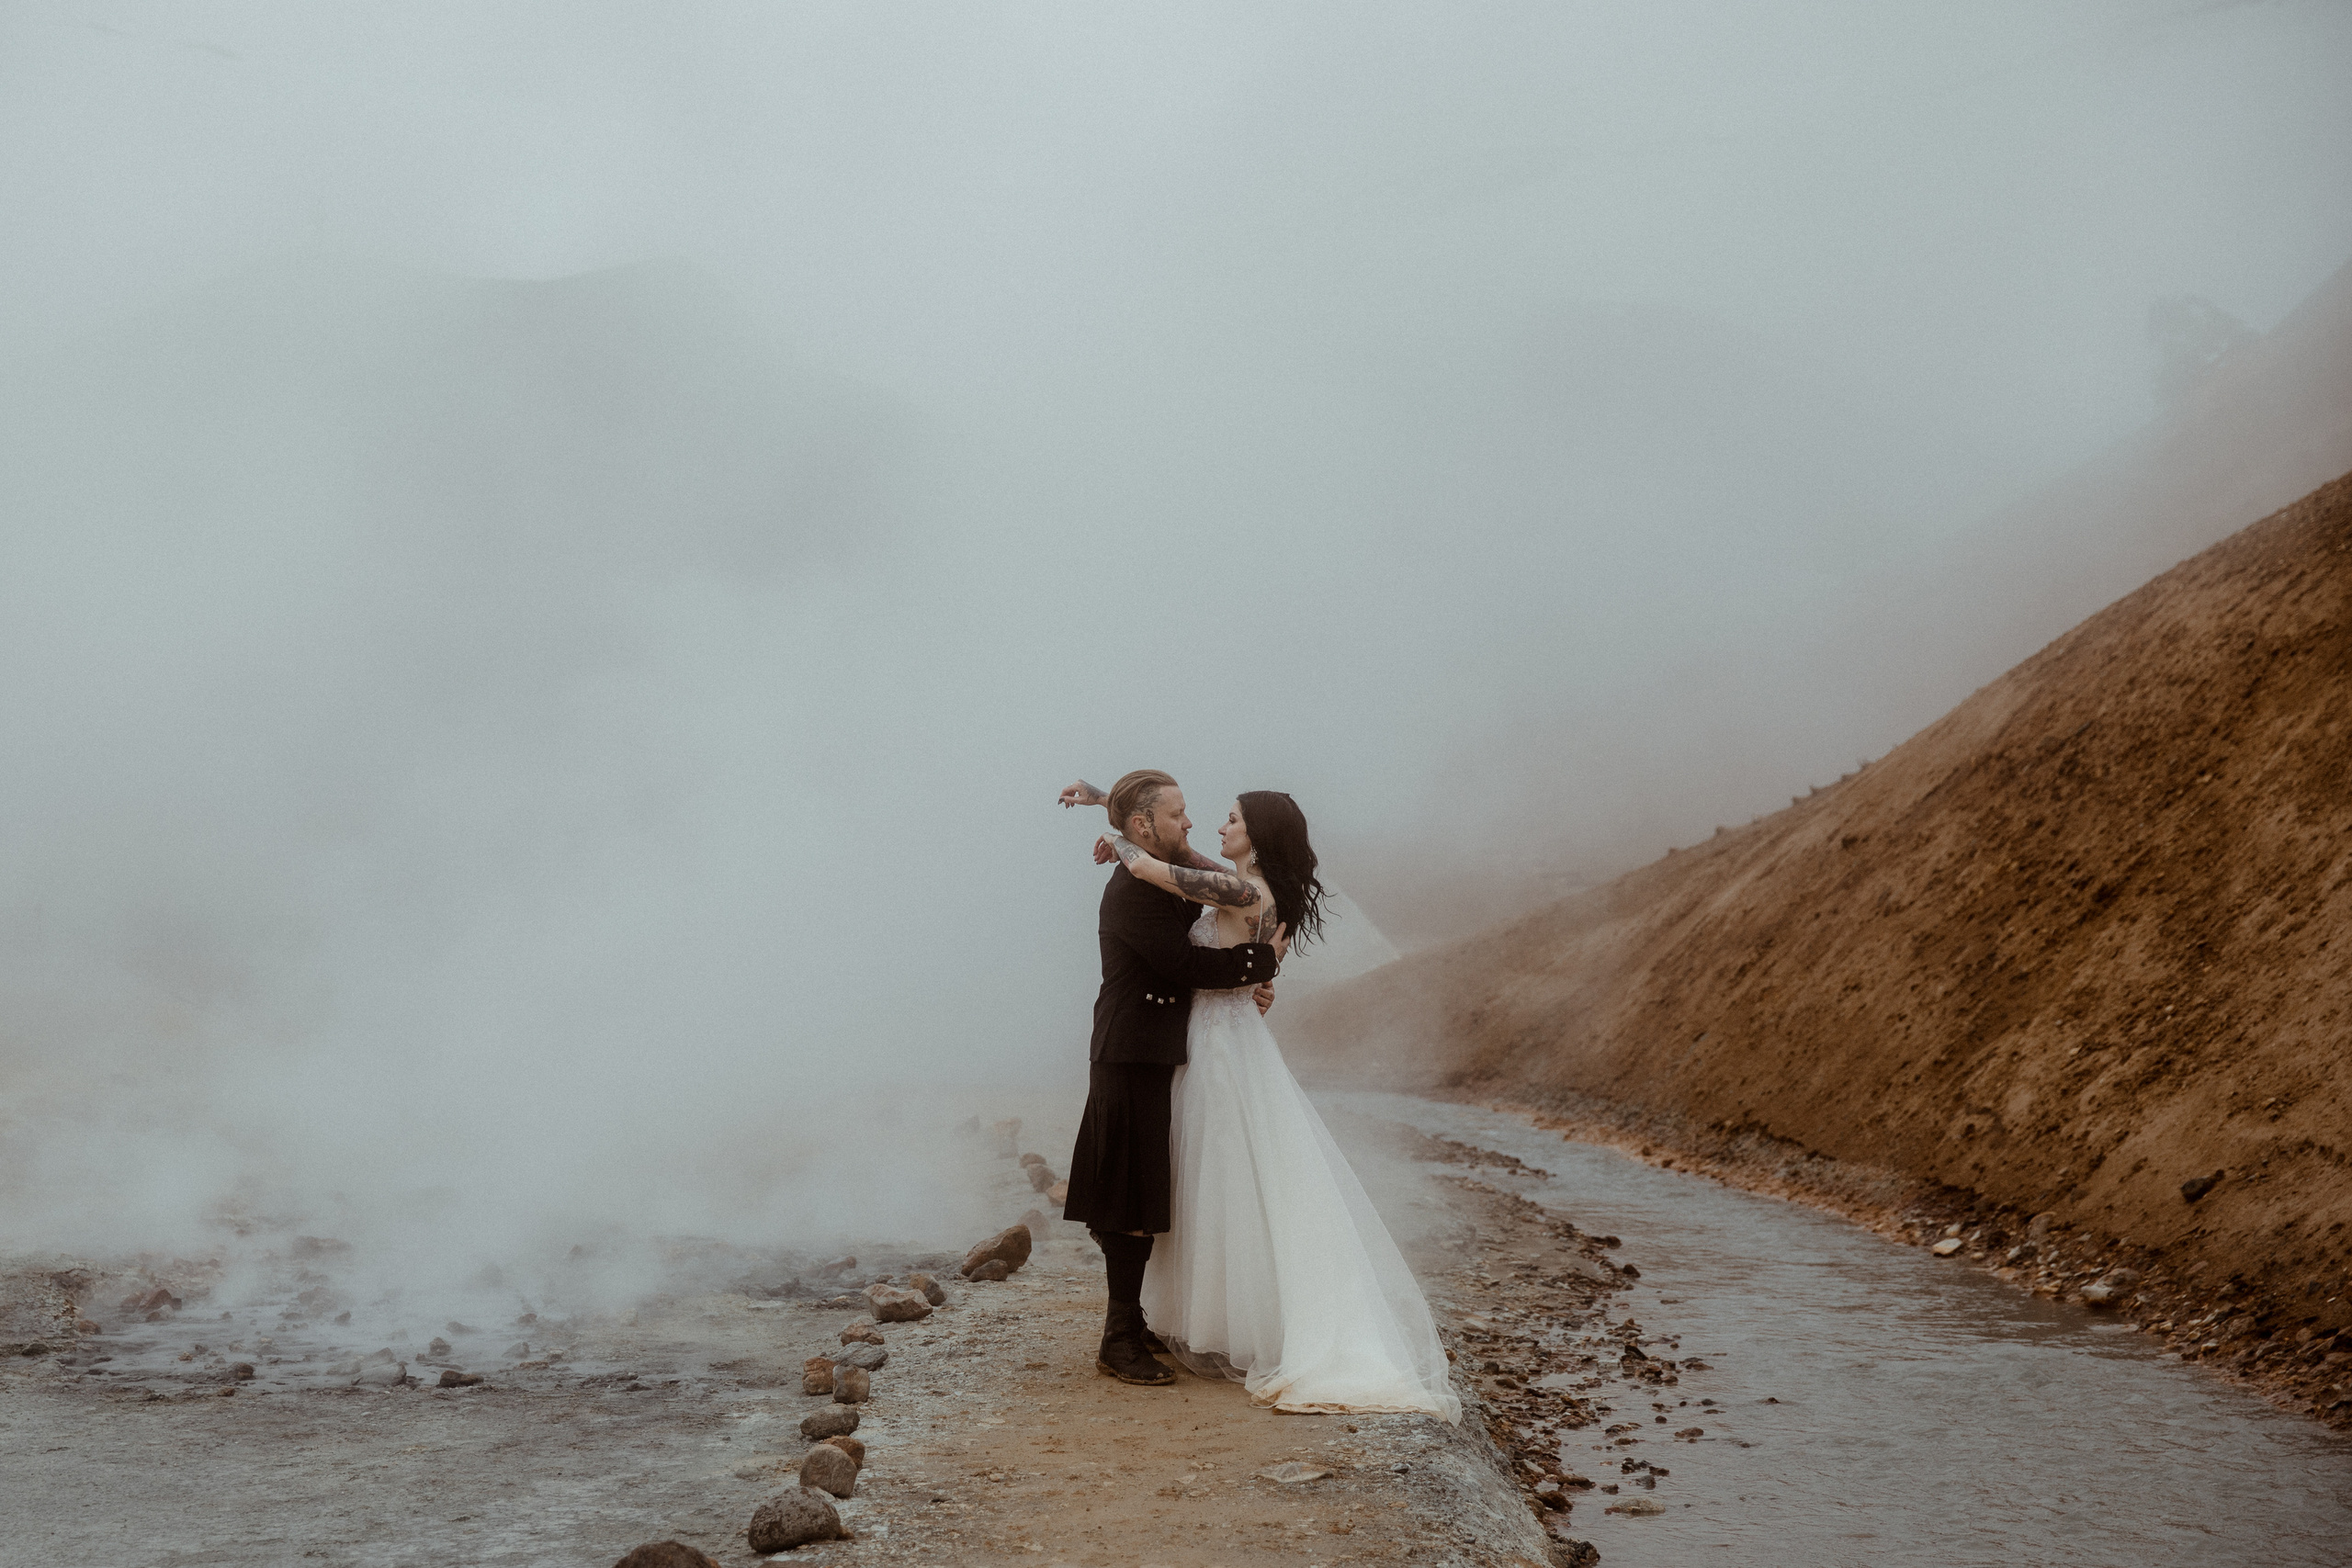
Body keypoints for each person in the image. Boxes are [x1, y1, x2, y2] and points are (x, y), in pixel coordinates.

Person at [1091, 789, 1460, 1421]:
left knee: (1226, 1176)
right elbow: (1184, 860)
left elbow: (1157, 867)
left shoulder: (1246, 893)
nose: (1216, 824)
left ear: (1256, 836)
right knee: (1217, 1180)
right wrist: (1111, 802)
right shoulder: (1239, 884)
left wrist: (1120, 835)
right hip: (1215, 1037)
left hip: (1219, 1044)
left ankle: (1231, 1326)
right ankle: (1208, 1321)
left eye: (1231, 818)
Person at [1056, 770, 1285, 1386]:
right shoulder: (1133, 891)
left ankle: (1134, 1323)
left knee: (1145, 1190)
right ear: (1142, 825)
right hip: (1131, 1049)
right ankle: (1118, 1336)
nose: (1190, 823)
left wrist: (1109, 802)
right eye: (1178, 813)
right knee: (1130, 1195)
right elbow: (1183, 963)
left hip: (1156, 1049)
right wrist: (1259, 963)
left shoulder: (1161, 871)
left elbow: (1208, 875)